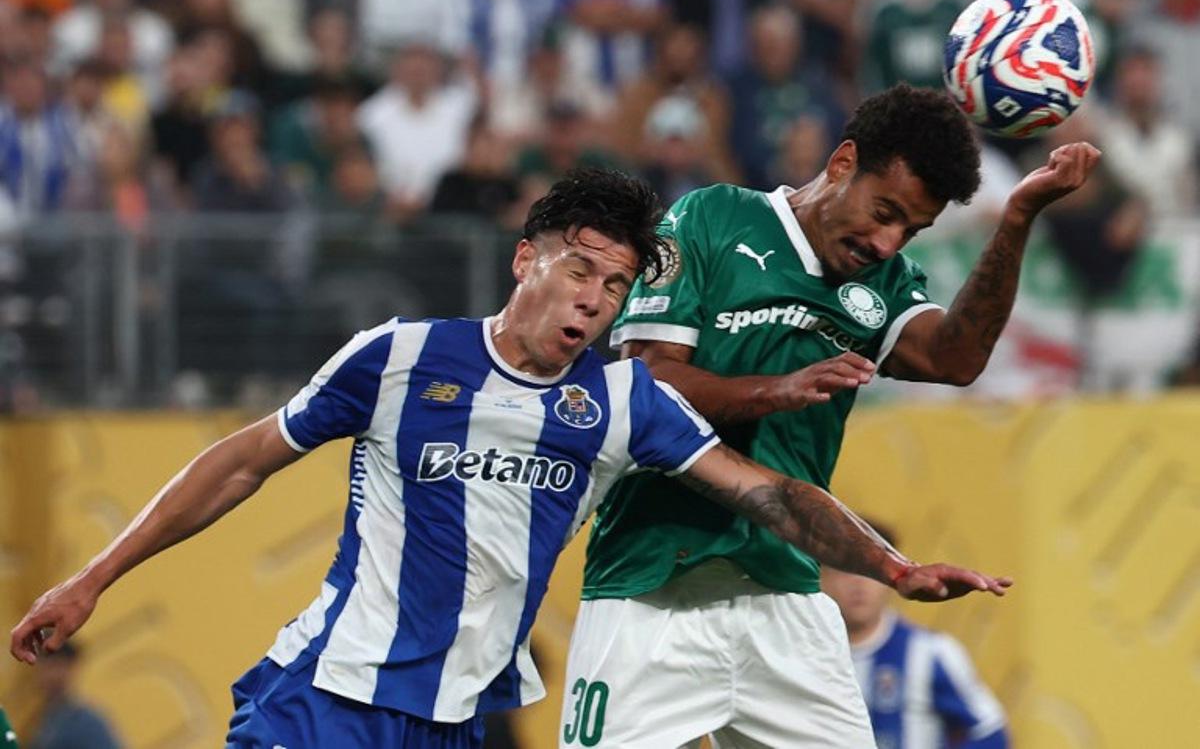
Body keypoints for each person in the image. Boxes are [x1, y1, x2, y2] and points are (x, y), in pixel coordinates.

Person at [9, 168, 1009, 748]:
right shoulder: (401, 355)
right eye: (581, 269)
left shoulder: (620, 401)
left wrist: (887, 563)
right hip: (327, 696)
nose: (595, 300)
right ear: (528, 257)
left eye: (617, 286)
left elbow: (771, 495)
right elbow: (240, 461)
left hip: (462, 721)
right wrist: (96, 578)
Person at [566, 86, 1098, 747]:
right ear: (844, 162)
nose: (887, 240)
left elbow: (955, 358)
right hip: (650, 586)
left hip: (785, 592)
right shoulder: (710, 217)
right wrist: (776, 389)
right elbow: (645, 381)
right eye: (885, 212)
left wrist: (1018, 217)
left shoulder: (883, 282)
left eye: (911, 229)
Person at [823, 519, 1010, 749]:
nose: (859, 584)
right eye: (846, 570)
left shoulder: (931, 652)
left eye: (872, 572)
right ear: (823, 576)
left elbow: (989, 733)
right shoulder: (804, 655)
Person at [26, 642, 121, 749]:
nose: (53, 674)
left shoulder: (85, 722)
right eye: (47, 666)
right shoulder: (40, 720)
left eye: (59, 666)